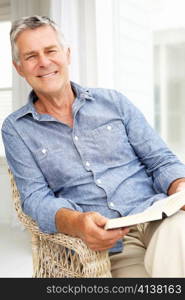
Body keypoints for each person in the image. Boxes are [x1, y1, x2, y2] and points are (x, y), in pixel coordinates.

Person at [2, 15, 185, 278]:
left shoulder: (114, 102)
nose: (44, 62)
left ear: (67, 54)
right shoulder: (16, 128)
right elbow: (35, 199)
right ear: (19, 68)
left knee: (180, 229)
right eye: (31, 56)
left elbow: (161, 160)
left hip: (159, 218)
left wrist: (179, 187)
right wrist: (77, 223)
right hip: (110, 245)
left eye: (51, 51)